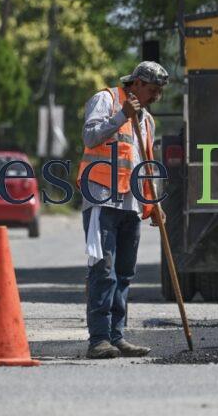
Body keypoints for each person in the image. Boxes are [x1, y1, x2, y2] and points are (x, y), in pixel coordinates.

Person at [78, 61, 169, 359]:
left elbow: (145, 165)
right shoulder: (106, 99)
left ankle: (117, 336)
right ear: (137, 84)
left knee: (124, 273)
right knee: (103, 271)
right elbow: (90, 137)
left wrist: (153, 204)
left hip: (131, 204)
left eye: (158, 92)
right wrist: (120, 116)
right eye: (152, 90)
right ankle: (99, 339)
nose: (155, 96)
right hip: (102, 199)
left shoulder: (147, 120)